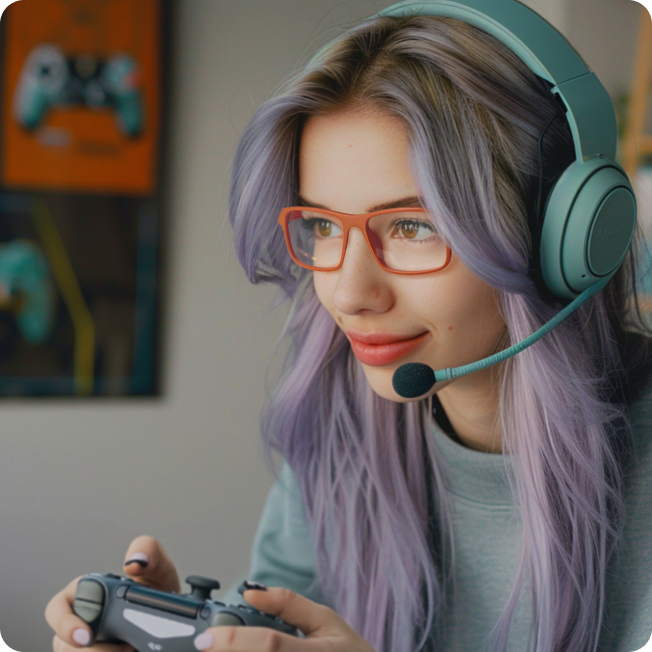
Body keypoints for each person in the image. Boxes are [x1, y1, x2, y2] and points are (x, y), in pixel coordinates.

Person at [45, 2, 652, 651]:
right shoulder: (335, 438)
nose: (348, 294)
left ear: (566, 235)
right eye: (325, 226)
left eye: (414, 227)